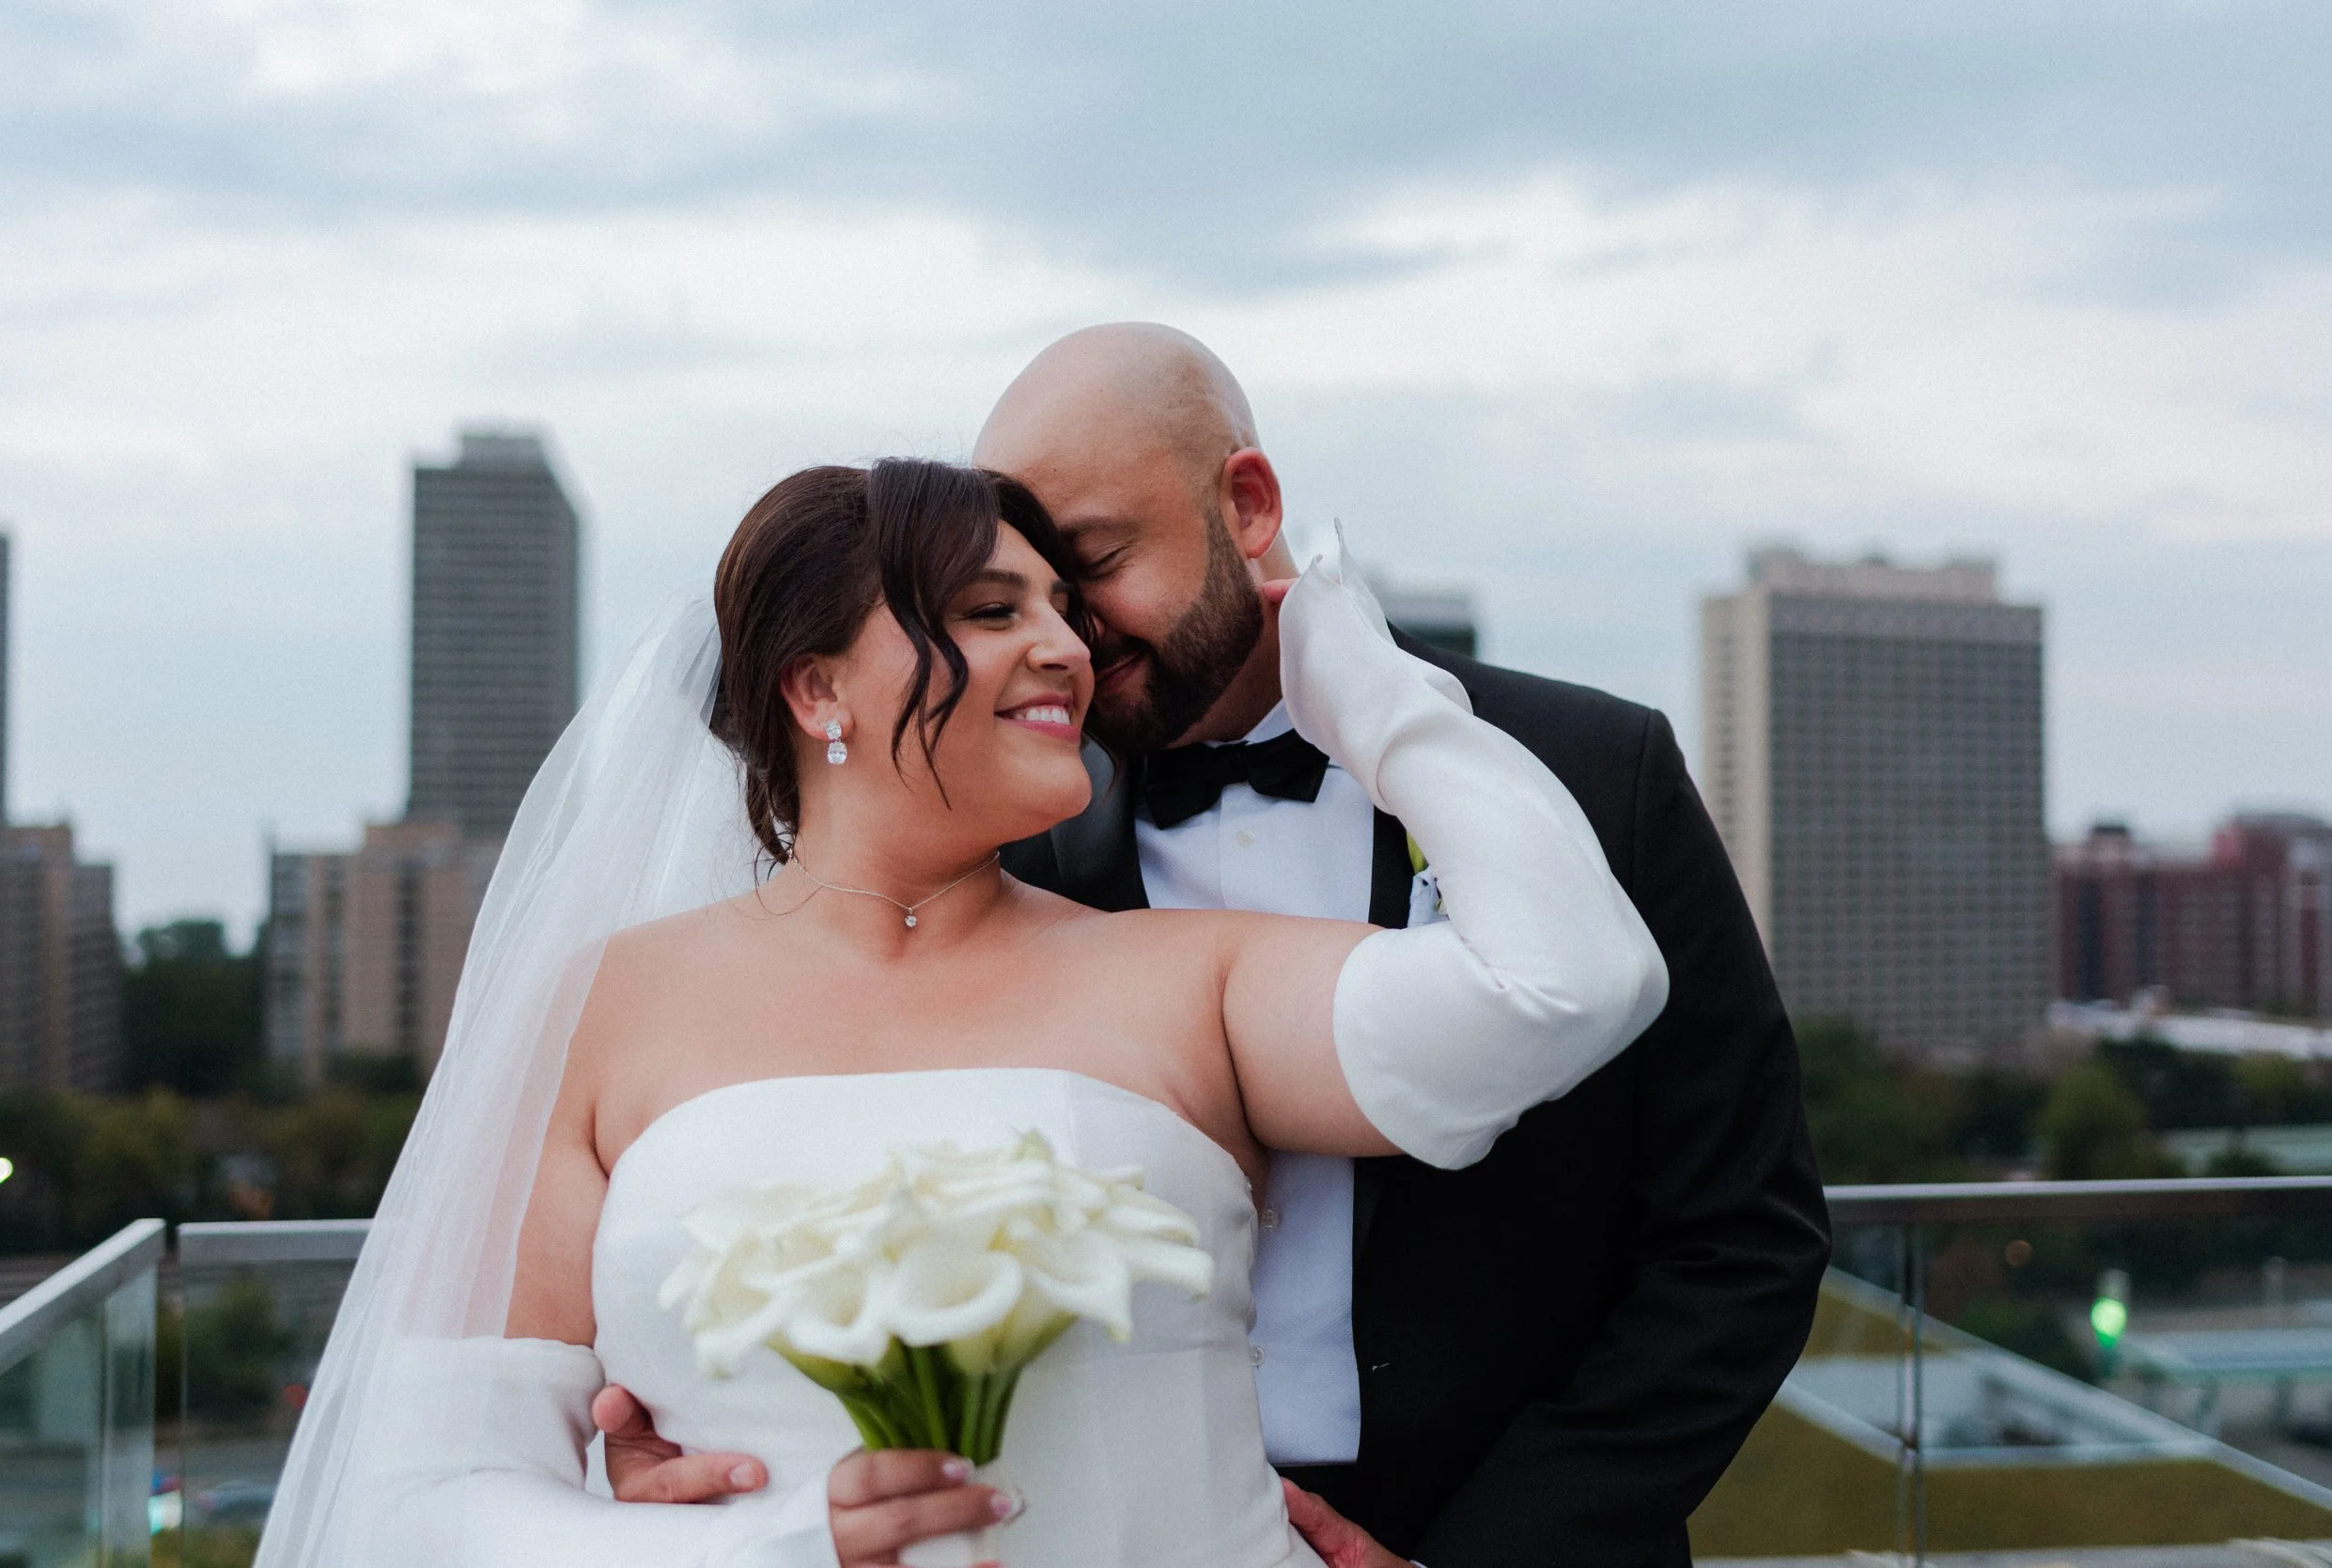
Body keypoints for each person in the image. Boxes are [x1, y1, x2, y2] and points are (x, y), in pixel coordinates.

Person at [257, 456, 1668, 1567]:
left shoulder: (1197, 974)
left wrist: (1373, 688)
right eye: (995, 612)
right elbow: (427, 1498)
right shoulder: (604, 1009)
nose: (1064, 645)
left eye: (1062, 605)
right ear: (816, 689)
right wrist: (753, 1550)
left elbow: (1569, 982)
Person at [605, 326, 1833, 1566]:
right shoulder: (1001, 826)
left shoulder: (1583, 774)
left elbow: (1740, 1238)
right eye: (1025, 596)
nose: (1073, 640)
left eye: (1092, 565)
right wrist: (687, 1435)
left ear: (1246, 504)